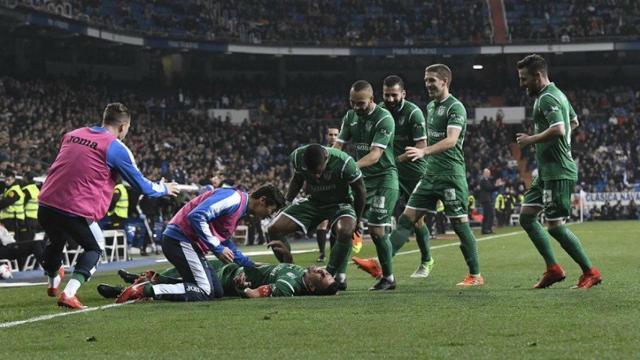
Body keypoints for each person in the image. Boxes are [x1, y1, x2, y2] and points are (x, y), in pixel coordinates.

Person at [37, 102, 180, 309]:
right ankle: (68, 293)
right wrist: (165, 188)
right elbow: (142, 186)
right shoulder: (115, 147)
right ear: (123, 127)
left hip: (46, 203)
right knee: (95, 247)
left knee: (56, 240)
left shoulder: (72, 134)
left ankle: (52, 282)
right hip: (74, 208)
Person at [353, 64, 483, 287]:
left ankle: (475, 275)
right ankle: (379, 264)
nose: (427, 84)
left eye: (432, 80)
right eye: (426, 80)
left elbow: (451, 140)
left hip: (450, 174)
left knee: (460, 225)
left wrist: (423, 151)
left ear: (445, 81)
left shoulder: (456, 107)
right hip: (430, 174)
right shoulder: (431, 107)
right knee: (407, 219)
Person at [515, 54, 601, 289]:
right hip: (546, 171)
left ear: (537, 76)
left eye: (524, 79)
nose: (522, 84)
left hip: (557, 171)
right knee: (526, 216)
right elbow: (574, 122)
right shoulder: (557, 94)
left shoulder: (547, 98)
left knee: (554, 225)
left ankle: (590, 272)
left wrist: (531, 139)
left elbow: (560, 129)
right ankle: (553, 269)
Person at [117, 184, 286, 303]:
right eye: (271, 211)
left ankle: (155, 280)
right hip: (180, 239)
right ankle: (146, 290)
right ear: (263, 201)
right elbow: (197, 216)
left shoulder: (239, 207)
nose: (268, 215)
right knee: (205, 291)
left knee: (216, 291)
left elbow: (224, 241)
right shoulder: (233, 198)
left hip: (186, 242)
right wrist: (217, 248)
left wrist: (248, 263)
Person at [355, 75, 433, 279]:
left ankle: (425, 260)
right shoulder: (378, 111)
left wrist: (395, 159)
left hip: (415, 173)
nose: (389, 99)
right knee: (389, 217)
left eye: (394, 95)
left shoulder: (413, 113)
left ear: (403, 94)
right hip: (392, 173)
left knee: (415, 220)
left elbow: (421, 147)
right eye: (386, 95)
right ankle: (363, 242)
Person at [267, 144, 366, 290]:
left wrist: (358, 219)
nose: (317, 176)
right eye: (312, 173)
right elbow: (297, 180)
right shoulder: (296, 157)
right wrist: (286, 202)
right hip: (314, 202)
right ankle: (290, 272)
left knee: (346, 231)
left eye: (319, 172)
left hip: (340, 203)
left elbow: (361, 191)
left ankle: (330, 274)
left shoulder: (345, 162)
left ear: (327, 159)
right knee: (274, 229)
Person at [334, 80, 400, 291]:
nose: (356, 107)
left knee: (377, 230)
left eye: (361, 103)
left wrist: (347, 166)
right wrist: (330, 161)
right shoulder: (350, 116)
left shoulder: (384, 118)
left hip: (383, 179)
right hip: (361, 180)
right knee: (346, 227)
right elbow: (338, 144)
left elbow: (374, 155)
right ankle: (340, 277)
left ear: (372, 100)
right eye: (352, 103)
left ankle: (388, 278)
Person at [98, 258, 339, 299]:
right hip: (227, 266)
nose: (321, 270)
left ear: (313, 289)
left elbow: (256, 294)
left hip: (225, 278)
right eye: (325, 271)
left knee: (181, 282)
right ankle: (137, 281)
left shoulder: (289, 286)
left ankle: (128, 289)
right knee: (175, 272)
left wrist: (243, 289)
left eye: (323, 276)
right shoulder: (300, 273)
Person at [315, 127, 341, 262]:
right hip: (323, 191)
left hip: (338, 193)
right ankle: (321, 253)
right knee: (322, 224)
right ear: (326, 136)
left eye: (336, 134)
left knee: (337, 226)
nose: (333, 137)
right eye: (331, 134)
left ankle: (334, 253)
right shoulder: (321, 152)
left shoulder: (342, 152)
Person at [0, 170, 28, 241]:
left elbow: (5, 203)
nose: (6, 181)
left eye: (9, 180)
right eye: (5, 179)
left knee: (10, 239)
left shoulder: (14, 191)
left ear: (13, 179)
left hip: (13, 218)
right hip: (10, 218)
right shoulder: (10, 189)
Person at [479, 168, 501, 234]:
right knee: (489, 215)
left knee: (487, 215)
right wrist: (496, 185)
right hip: (485, 200)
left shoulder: (488, 180)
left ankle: (485, 229)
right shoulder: (483, 181)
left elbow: (492, 189)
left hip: (488, 199)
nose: (489, 174)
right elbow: (489, 188)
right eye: (487, 173)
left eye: (489, 173)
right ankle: (487, 229)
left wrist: (498, 186)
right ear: (484, 173)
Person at [22, 172, 41, 241]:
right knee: (30, 239)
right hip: (35, 218)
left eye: (23, 177)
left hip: (27, 218)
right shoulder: (36, 189)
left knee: (24, 239)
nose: (22, 179)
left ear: (26, 178)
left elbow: (21, 204)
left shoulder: (27, 190)